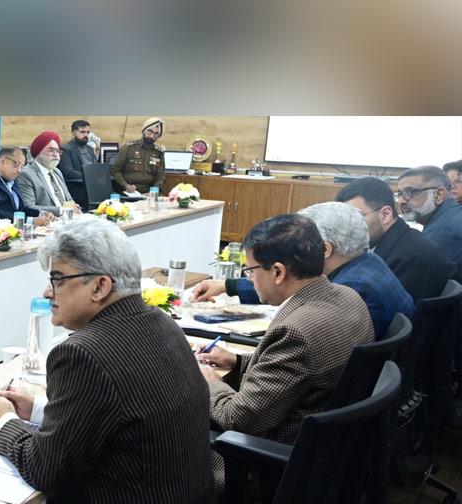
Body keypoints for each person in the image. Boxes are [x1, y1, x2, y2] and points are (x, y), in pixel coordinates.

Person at [0, 216, 218, 504]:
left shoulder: (81, 353)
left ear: (100, 287)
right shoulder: (161, 322)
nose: (48, 292)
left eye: (57, 280)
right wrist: (40, 411)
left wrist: (3, 421)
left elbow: (43, 470)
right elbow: (121, 416)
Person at [197, 214, 374, 444]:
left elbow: (238, 419)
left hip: (266, 460)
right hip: (326, 451)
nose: (249, 279)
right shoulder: (349, 296)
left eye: (250, 270)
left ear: (278, 272)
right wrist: (237, 361)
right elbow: (294, 375)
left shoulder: (297, 332)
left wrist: (211, 384)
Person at [193, 202, 413, 336]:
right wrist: (227, 285)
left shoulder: (354, 288)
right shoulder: (368, 262)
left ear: (325, 249)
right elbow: (292, 283)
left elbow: (292, 286)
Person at [336, 177, 457, 301]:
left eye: (355, 217)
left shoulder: (409, 256)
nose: (348, 227)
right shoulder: (398, 239)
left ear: (385, 215)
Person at [395, 165, 462, 279]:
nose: (401, 201)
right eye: (400, 194)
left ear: (438, 195)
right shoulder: (450, 215)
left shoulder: (443, 231)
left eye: (411, 192)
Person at [0, 146, 50, 224]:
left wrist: (40, 214)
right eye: (17, 165)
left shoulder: (13, 179)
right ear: (3, 161)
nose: (19, 171)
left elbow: (20, 209)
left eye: (22, 167)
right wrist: (30, 220)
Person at [16, 131, 77, 216]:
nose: (56, 155)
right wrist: (60, 210)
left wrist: (75, 208)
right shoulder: (26, 174)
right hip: (47, 224)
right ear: (38, 152)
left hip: (69, 220)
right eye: (51, 150)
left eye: (57, 151)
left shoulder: (57, 172)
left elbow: (69, 200)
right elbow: (28, 207)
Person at [111, 117, 166, 195]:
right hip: (127, 192)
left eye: (156, 134)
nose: (151, 136)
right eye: (150, 132)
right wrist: (126, 185)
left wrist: (153, 192)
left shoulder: (159, 153)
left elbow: (161, 177)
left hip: (148, 194)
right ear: (144, 130)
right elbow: (115, 170)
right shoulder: (128, 148)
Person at [60, 120, 97, 210]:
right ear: (73, 133)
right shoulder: (66, 149)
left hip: (93, 186)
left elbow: (95, 168)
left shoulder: (90, 149)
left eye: (88, 132)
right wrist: (88, 177)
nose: (86, 135)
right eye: (82, 132)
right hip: (77, 187)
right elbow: (68, 172)